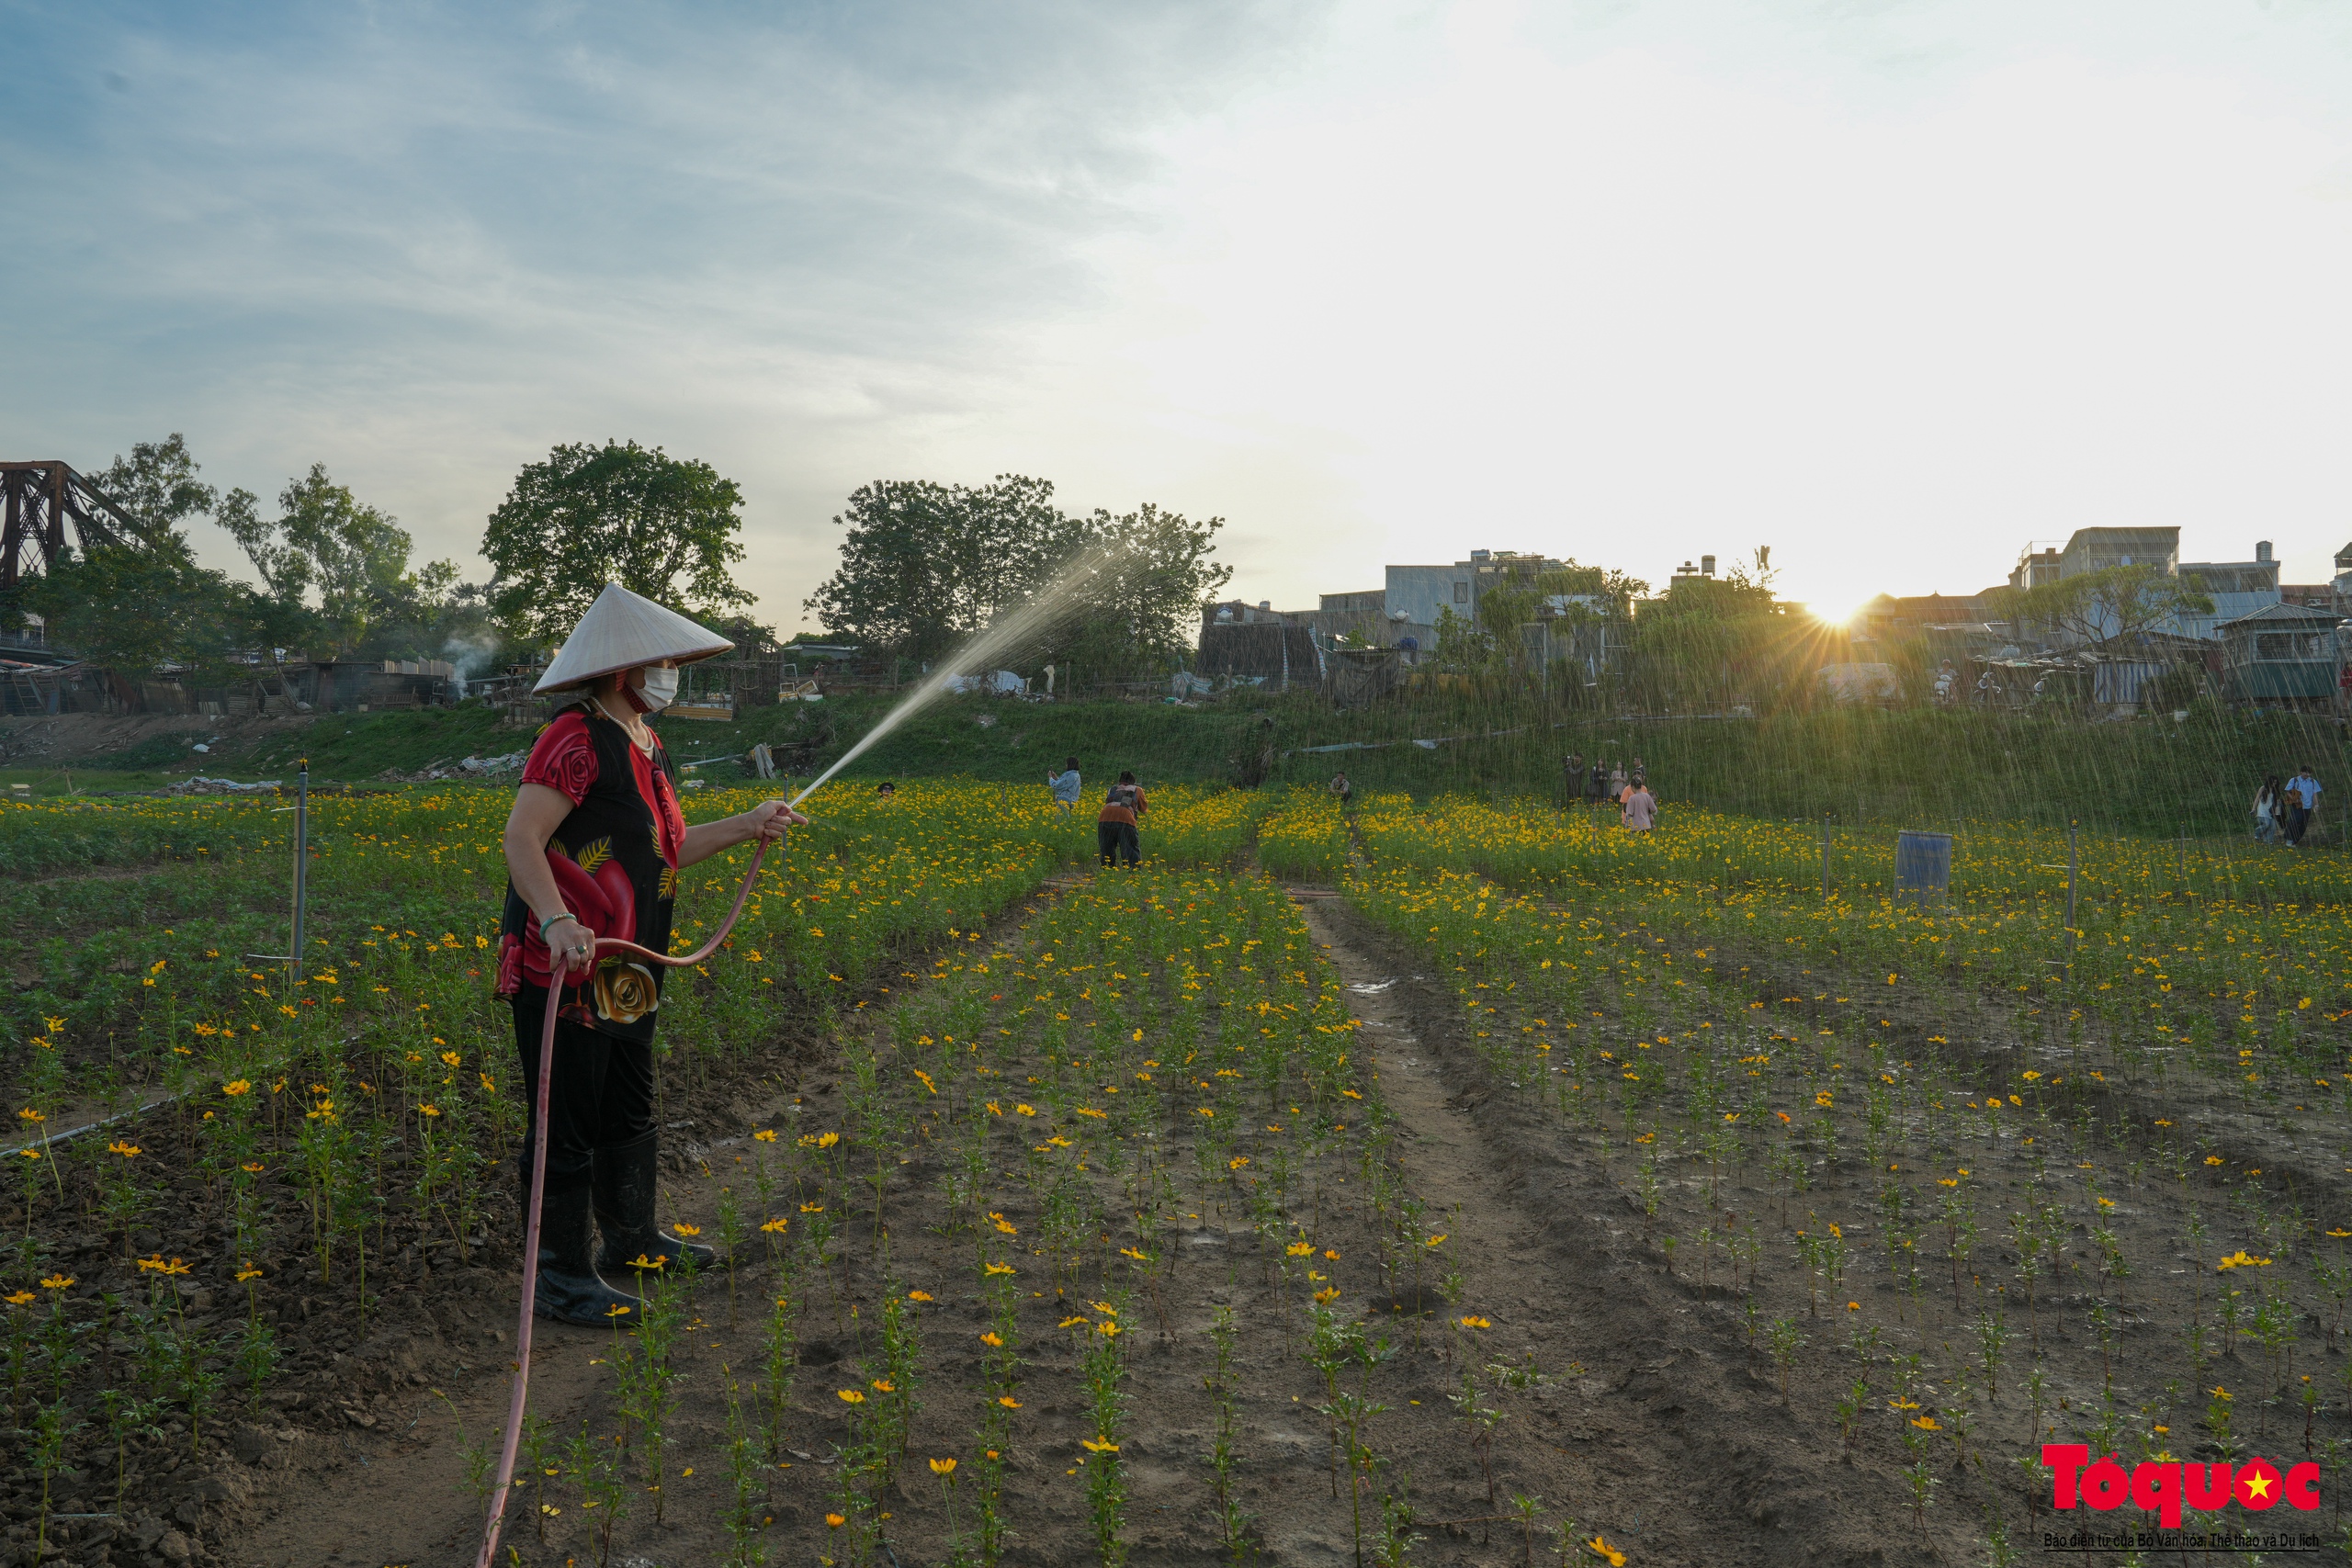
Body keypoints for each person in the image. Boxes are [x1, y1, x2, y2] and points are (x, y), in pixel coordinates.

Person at [496, 582, 807, 1325]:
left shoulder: (646, 743)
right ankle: (559, 1274)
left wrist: (748, 822)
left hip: (630, 962)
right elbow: (521, 838)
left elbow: (666, 850)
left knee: (626, 1099)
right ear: (621, 669)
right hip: (569, 964)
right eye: (661, 660)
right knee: (565, 1114)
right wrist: (556, 918)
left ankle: (630, 1239)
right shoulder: (573, 737)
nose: (672, 671)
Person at [1098, 770, 1147, 867]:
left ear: (1120, 781)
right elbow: (1144, 808)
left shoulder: (1112, 789)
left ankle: (1107, 873)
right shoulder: (1137, 789)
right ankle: (1134, 874)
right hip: (1125, 818)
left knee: (1107, 850)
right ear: (1133, 781)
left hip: (1105, 818)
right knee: (1130, 850)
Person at [2286, 764, 2323, 847]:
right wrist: (2294, 798)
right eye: (2306, 772)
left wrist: (2316, 805)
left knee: (2304, 824)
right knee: (2296, 820)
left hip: (2307, 806)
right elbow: (2288, 791)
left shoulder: (2313, 781)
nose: (2307, 774)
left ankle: (2295, 840)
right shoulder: (2294, 780)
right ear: (2301, 772)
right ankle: (2289, 838)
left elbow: (2314, 794)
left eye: (2309, 773)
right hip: (2297, 804)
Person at [2253, 774, 2283, 845]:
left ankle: (2268, 840)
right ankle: (2257, 833)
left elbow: (2277, 802)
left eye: (2275, 782)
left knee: (2273, 826)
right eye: (2273, 782)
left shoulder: (2276, 790)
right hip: (2262, 810)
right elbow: (2257, 799)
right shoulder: (2263, 788)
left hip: (2271, 811)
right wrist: (2253, 808)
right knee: (2266, 824)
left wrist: (2277, 813)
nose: (2274, 784)